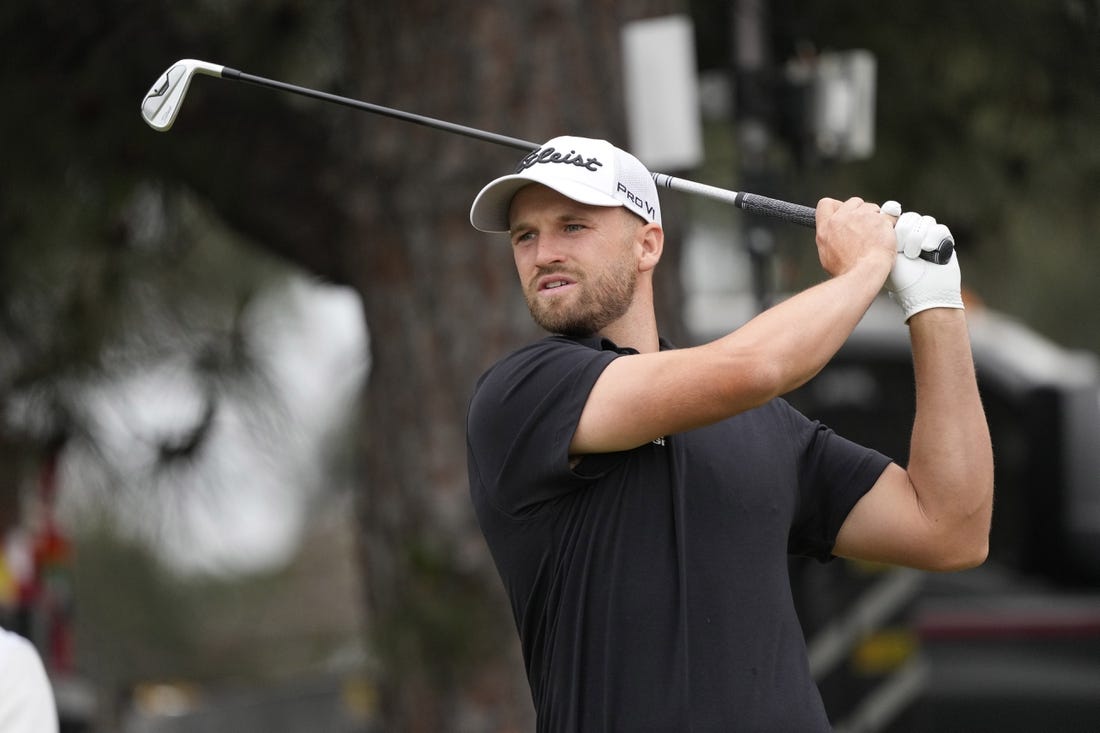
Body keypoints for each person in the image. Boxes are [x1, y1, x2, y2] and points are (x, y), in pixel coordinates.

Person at [465, 135, 993, 731]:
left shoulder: (763, 424)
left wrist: (936, 304)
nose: (543, 254)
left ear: (648, 244)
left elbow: (950, 529)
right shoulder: (522, 395)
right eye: (524, 236)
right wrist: (867, 264)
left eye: (572, 226)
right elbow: (754, 368)